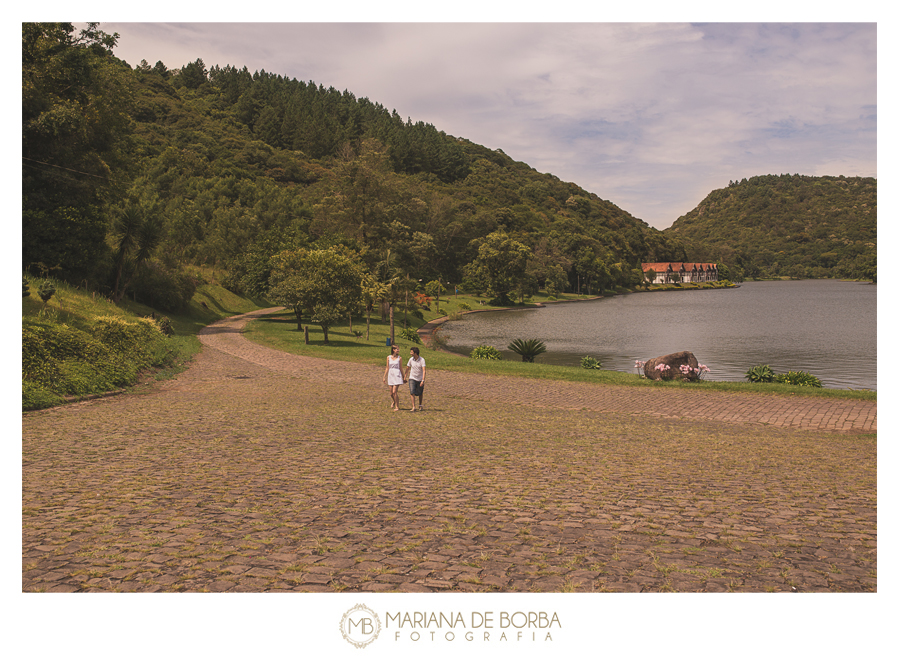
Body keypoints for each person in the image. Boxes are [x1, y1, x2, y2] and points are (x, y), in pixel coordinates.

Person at [382, 344, 404, 411]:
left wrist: (404, 377)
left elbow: (401, 368)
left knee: (395, 392)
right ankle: (394, 401)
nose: (398, 350)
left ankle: (397, 406)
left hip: (397, 375)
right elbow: (387, 367)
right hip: (391, 375)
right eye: (397, 349)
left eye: (398, 349)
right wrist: (384, 377)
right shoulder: (388, 357)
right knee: (391, 393)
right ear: (393, 350)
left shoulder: (399, 358)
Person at [404, 346, 426, 412]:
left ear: (415, 353)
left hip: (419, 379)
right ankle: (413, 407)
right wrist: (405, 377)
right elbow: (407, 368)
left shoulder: (422, 360)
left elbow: (424, 370)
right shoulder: (411, 359)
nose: (410, 353)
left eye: (411, 352)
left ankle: (420, 405)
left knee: (420, 393)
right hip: (412, 378)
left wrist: (423, 380)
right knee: (412, 392)